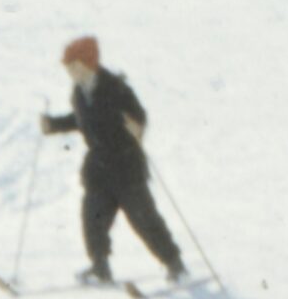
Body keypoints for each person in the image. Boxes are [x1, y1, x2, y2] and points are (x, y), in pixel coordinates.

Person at [41, 36, 185, 285]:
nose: (70, 72)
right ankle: (100, 267)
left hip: (126, 166)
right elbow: (81, 119)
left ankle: (174, 263)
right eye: (68, 68)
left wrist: (136, 126)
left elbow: (138, 115)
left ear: (88, 63)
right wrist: (53, 125)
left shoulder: (116, 87)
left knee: (144, 219)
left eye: (73, 66)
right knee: (92, 218)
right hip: (99, 168)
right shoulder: (78, 91)